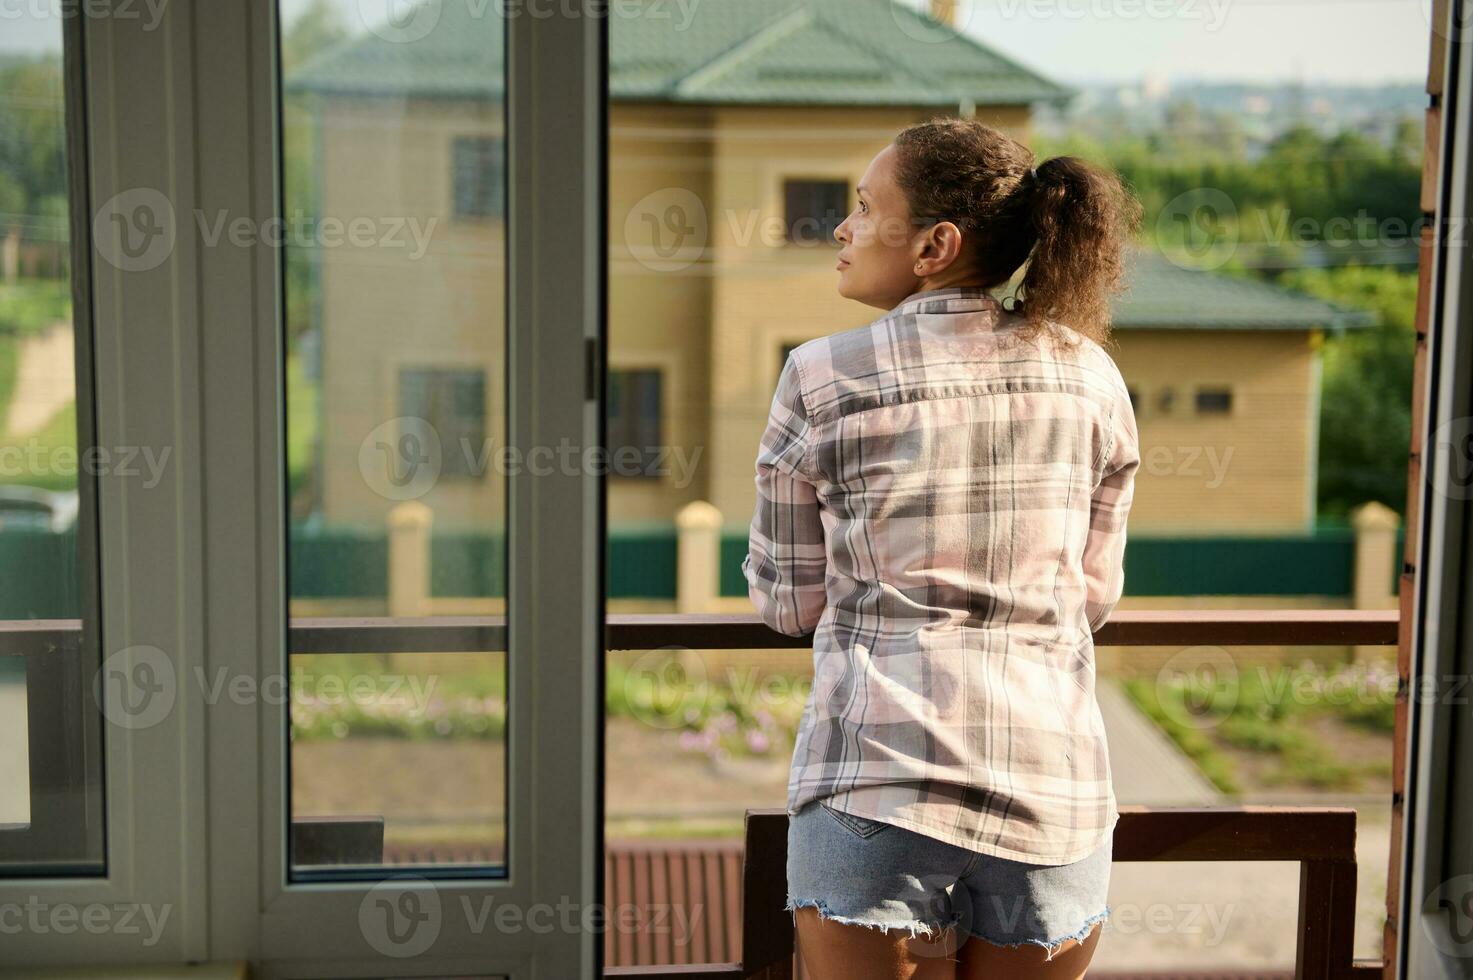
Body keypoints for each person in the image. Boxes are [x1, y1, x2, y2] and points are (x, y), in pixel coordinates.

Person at [742, 116, 1143, 979]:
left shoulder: (820, 374)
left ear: (935, 246)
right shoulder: (1089, 373)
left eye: (860, 208)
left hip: (876, 779)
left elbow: (786, 606)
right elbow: (1093, 596)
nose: (841, 230)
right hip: (1053, 788)